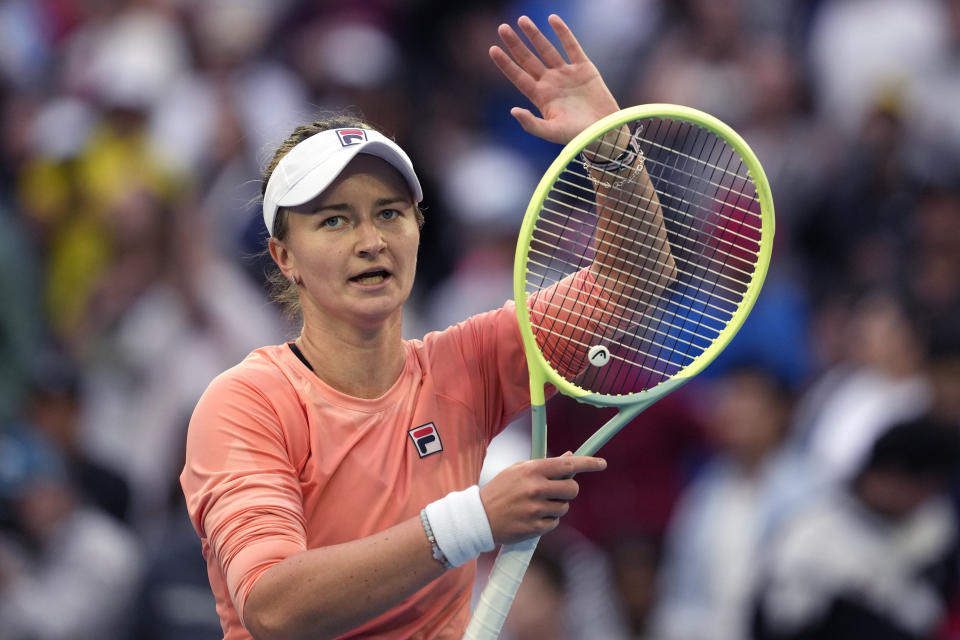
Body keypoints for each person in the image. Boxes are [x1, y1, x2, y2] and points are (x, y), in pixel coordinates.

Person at [181, 14, 673, 640]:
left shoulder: (464, 364)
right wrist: (472, 521)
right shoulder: (245, 403)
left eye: (390, 213)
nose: (370, 241)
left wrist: (611, 147)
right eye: (334, 221)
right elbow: (275, 607)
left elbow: (636, 279)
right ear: (285, 257)